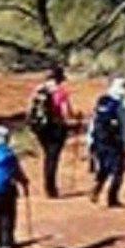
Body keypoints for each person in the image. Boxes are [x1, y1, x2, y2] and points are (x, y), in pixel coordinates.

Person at [25, 66, 76, 198]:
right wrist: (74, 119)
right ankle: (50, 187)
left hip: (41, 128)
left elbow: (30, 109)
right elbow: (66, 112)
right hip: (56, 128)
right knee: (52, 157)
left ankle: (49, 185)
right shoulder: (60, 92)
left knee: (48, 155)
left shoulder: (38, 90)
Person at [87, 77, 125, 208]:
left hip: (99, 141)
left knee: (103, 168)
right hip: (115, 143)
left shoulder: (102, 102)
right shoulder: (121, 106)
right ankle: (112, 198)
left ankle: (96, 189)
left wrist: (90, 141)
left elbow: (93, 123)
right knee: (119, 170)